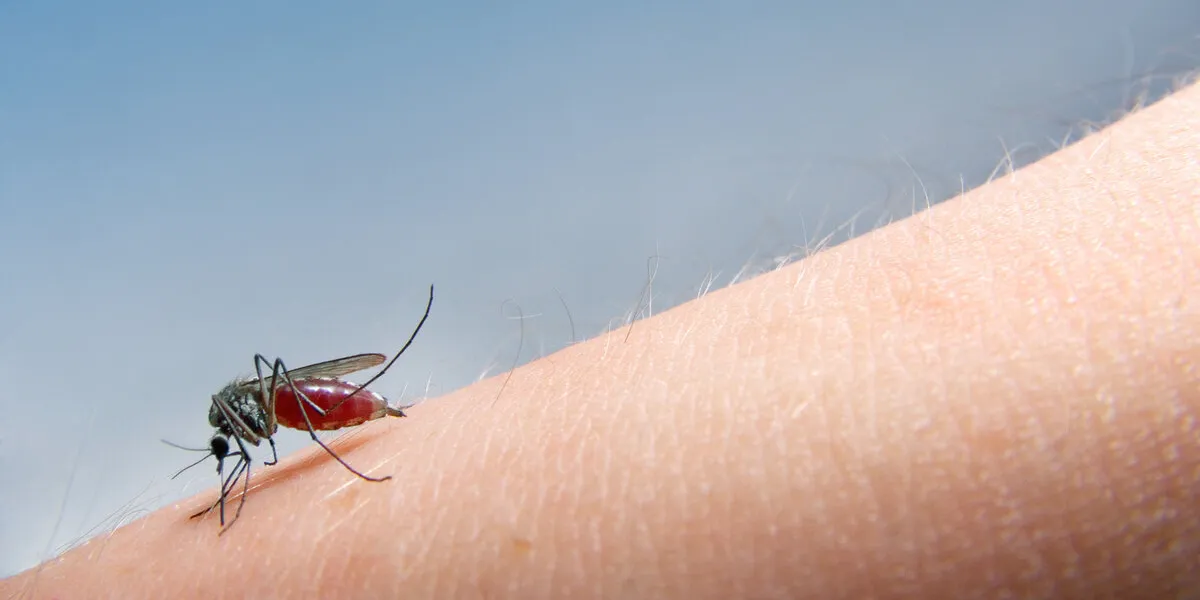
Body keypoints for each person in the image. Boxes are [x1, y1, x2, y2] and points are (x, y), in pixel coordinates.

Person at [5, 79, 1199, 600]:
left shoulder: (258, 410)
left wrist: (317, 434)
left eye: (229, 449)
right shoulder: (240, 420)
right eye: (234, 451)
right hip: (303, 407)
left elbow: (258, 411)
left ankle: (364, 425)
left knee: (282, 394)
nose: (232, 458)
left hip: (317, 406)